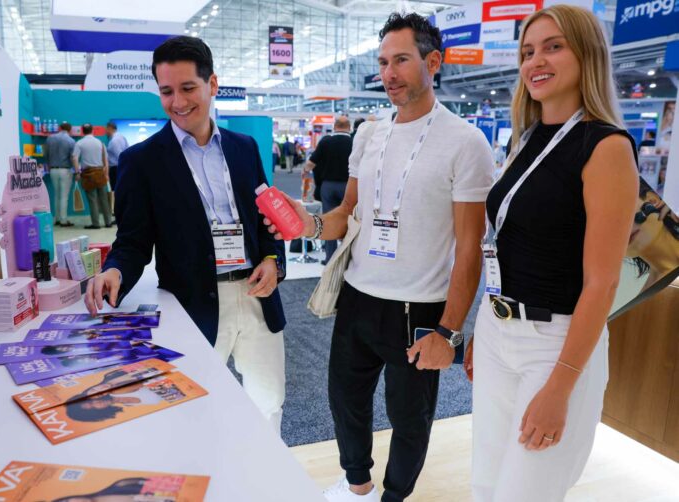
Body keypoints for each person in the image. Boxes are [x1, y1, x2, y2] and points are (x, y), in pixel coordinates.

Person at [265, 13, 493, 501]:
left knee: (410, 416)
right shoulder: (368, 135)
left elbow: (470, 248)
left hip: (419, 308)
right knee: (345, 400)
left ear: (434, 62)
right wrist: (309, 224)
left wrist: (449, 332)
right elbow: (347, 213)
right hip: (358, 296)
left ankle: (393, 496)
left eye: (401, 60)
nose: (388, 73)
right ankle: (358, 486)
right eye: (383, 62)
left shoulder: (465, 142)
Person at [465, 6, 639, 501]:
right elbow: (508, 241)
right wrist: (484, 321)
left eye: (553, 47)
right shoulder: (526, 138)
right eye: (527, 51)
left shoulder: (606, 147)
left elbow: (602, 282)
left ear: (587, 55)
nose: (535, 61)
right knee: (485, 487)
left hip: (555, 344)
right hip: (498, 331)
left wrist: (561, 386)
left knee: (525, 493)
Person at [84, 36, 288, 432]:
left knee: (268, 404)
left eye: (188, 88)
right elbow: (133, 241)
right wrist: (115, 271)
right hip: (193, 302)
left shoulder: (245, 148)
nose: (177, 101)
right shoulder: (141, 161)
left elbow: (267, 220)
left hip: (257, 296)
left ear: (212, 84)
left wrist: (272, 260)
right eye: (167, 91)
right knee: (193, 412)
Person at [305, 116, 353, 264]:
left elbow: (310, 164)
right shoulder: (354, 142)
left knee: (328, 220)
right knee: (350, 221)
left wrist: (305, 172)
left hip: (328, 186)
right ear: (349, 127)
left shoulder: (326, 141)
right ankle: (347, 258)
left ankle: (330, 258)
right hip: (349, 186)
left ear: (334, 127)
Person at [73, 123, 112, 229]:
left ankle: (96, 223)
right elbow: (105, 160)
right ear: (92, 130)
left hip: (87, 175)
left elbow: (75, 158)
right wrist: (106, 174)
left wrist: (77, 172)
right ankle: (108, 222)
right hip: (100, 173)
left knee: (92, 199)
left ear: (82, 131)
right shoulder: (100, 143)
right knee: (104, 199)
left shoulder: (79, 143)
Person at [44, 122, 77, 227]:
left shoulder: (50, 138)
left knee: (56, 195)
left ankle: (57, 218)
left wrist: (49, 166)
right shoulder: (71, 141)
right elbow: (73, 157)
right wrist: (77, 171)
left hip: (53, 170)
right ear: (70, 130)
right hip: (65, 170)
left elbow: (46, 154)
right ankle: (63, 220)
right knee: (64, 196)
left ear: (59, 128)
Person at [105, 121, 130, 190]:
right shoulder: (122, 137)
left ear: (110, 128)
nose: (106, 132)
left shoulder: (114, 141)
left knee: (115, 190)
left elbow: (119, 156)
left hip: (116, 169)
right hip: (121, 168)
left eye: (106, 129)